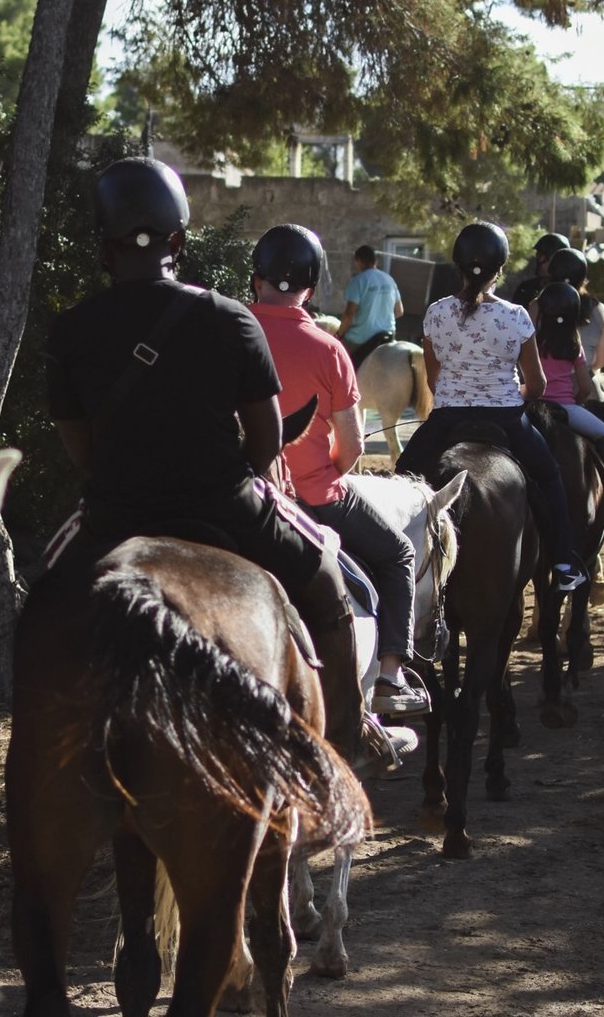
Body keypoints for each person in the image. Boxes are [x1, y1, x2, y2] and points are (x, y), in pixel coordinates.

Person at [43, 157, 399, 767]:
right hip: (225, 504)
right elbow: (264, 443)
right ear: (178, 240)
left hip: (115, 509)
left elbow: (81, 451)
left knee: (44, 603)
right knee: (328, 581)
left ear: (103, 245)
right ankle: (341, 746)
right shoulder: (227, 317)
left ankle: (39, 747)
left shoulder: (71, 330)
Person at [247, 223, 431, 717]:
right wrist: (320, 474)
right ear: (311, 285)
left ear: (256, 278)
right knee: (396, 555)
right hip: (315, 499)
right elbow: (350, 447)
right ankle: (391, 676)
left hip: (239, 499)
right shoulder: (331, 351)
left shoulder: (229, 329)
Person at [393, 220, 588, 593]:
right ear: (501, 269)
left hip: (447, 417)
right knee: (549, 477)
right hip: (506, 417)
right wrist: (516, 391)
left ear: (458, 265)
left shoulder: (436, 313)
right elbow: (539, 385)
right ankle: (563, 562)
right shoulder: (516, 317)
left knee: (403, 474)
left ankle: (389, 553)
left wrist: (457, 392)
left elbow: (433, 379)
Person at [533, 282, 604, 516]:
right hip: (566, 408)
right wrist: (576, 402)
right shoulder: (573, 343)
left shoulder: (532, 340)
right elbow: (586, 386)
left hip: (532, 407)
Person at [335, 243, 402, 370]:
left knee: (335, 359)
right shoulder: (389, 279)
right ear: (375, 260)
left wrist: (338, 334)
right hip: (388, 335)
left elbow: (349, 314)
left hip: (361, 338)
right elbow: (399, 311)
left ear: (358, 261)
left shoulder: (358, 280)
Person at [547, 246, 604, 372]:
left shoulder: (538, 305)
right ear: (583, 278)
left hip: (546, 382)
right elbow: (602, 360)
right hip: (584, 380)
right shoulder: (598, 309)